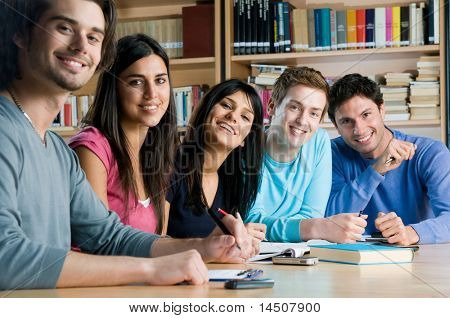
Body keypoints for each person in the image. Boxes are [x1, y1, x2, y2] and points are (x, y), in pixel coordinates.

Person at [0, 0, 253, 291]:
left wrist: (206, 247)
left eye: (94, 37)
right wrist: (150, 268)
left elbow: (109, 237)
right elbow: (5, 256)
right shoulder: (6, 129)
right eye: (64, 28)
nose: (82, 45)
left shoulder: (57, 151)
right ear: (20, 33)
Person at [69, 34, 178, 235]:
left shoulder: (156, 154)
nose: (152, 94)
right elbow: (101, 242)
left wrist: (212, 242)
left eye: (160, 80)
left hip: (144, 267)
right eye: (136, 82)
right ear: (114, 88)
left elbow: (157, 242)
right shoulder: (92, 149)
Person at [245, 67, 368, 243]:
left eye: (314, 113)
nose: (303, 121)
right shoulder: (247, 144)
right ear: (272, 106)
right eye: (294, 107)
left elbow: (312, 214)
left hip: (298, 252)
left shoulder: (318, 141)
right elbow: (252, 222)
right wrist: (319, 227)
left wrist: (311, 226)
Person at [325, 73, 450, 245]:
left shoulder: (430, 153)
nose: (359, 130)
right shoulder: (330, 154)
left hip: (418, 259)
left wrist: (410, 233)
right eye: (347, 121)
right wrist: (376, 170)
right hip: (351, 261)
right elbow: (330, 220)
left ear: (382, 110)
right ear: (336, 127)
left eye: (366, 114)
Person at [166, 79, 267, 250]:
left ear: (245, 139)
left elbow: (215, 248)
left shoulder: (232, 183)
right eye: (227, 105)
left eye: (244, 117)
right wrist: (214, 242)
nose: (233, 117)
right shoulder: (169, 166)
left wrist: (235, 239)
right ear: (206, 111)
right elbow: (152, 242)